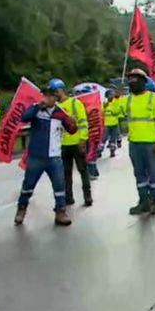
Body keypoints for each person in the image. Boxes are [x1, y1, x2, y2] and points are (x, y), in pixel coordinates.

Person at [15, 85, 78, 226]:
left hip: (54, 157)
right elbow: (24, 117)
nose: (47, 98)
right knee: (28, 185)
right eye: (44, 95)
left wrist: (74, 122)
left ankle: (60, 212)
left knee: (59, 186)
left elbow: (72, 130)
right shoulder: (36, 110)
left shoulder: (61, 113)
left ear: (55, 98)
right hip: (36, 156)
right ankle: (21, 209)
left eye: (50, 96)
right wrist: (38, 106)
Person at [118, 70, 155, 215]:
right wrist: (115, 98)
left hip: (152, 143)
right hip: (134, 143)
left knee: (154, 174)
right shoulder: (127, 99)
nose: (133, 81)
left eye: (136, 79)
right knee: (139, 175)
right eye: (130, 79)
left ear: (144, 81)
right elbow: (116, 113)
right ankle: (143, 202)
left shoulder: (154, 98)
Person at [52, 79, 92, 207]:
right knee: (65, 173)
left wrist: (82, 139)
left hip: (76, 142)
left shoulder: (75, 103)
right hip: (62, 145)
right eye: (53, 92)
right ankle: (68, 197)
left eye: (56, 91)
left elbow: (83, 122)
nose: (55, 94)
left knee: (83, 170)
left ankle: (87, 196)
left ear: (62, 90)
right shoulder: (54, 107)